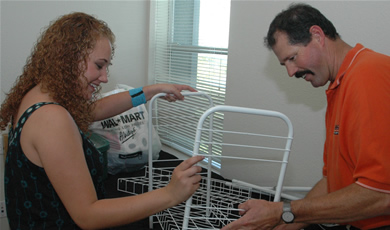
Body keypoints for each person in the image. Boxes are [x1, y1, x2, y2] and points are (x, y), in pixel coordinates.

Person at [0, 12, 204, 229]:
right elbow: (88, 215)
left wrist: (151, 91)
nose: (105, 77)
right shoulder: (52, 118)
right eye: (99, 65)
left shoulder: (37, 96)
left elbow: (95, 110)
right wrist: (170, 194)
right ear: (69, 59)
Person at [222, 3, 390, 230]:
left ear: (317, 36)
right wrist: (283, 223)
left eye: (292, 58)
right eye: (285, 64)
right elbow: (332, 181)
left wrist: (283, 211)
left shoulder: (366, 75)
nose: (291, 73)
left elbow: (381, 194)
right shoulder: (339, 85)